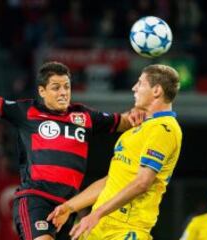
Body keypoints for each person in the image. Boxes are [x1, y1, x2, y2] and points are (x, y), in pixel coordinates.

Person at [0, 57, 144, 240]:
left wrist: (135, 114)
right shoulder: (27, 111)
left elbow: (122, 122)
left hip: (68, 206)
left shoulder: (83, 115)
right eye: (55, 88)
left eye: (66, 87)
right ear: (42, 91)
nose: (63, 92)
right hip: (36, 198)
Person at [48, 64, 182, 240]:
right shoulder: (138, 128)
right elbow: (110, 181)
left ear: (156, 90)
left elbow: (143, 182)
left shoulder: (164, 129)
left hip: (125, 229)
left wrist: (97, 214)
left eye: (140, 83)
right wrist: (70, 206)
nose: (134, 88)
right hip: (99, 226)